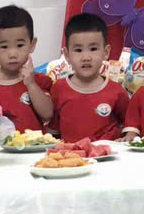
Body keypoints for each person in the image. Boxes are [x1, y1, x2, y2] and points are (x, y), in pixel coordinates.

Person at [0, 5, 54, 132]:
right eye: (4, 46)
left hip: (33, 145)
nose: (12, 54)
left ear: (32, 44)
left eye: (20, 45)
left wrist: (31, 84)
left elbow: (47, 114)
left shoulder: (40, 81)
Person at [49, 13, 128, 141]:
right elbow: (52, 133)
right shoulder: (59, 88)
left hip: (107, 152)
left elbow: (128, 127)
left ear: (106, 52)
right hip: (70, 152)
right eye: (78, 50)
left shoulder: (117, 91)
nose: (86, 57)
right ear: (67, 55)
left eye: (93, 49)